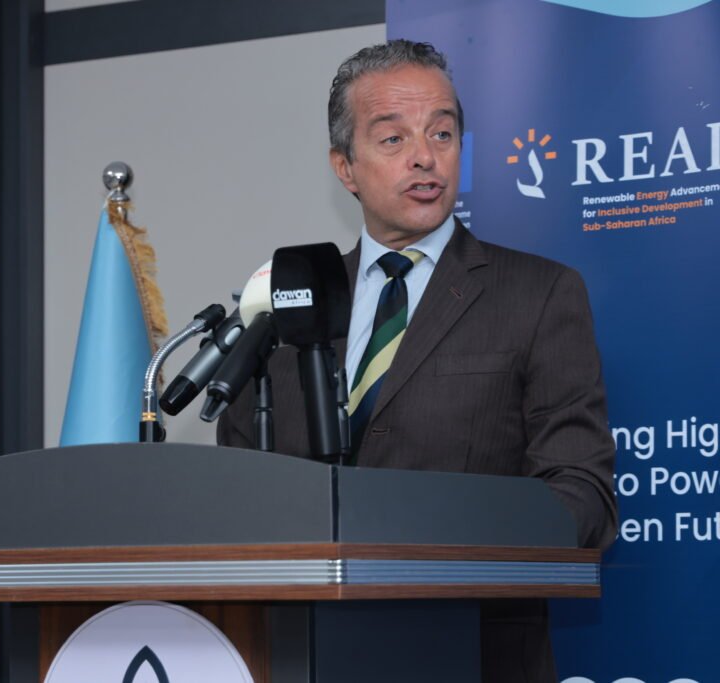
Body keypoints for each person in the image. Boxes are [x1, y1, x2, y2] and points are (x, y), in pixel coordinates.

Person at [217, 39, 617, 682]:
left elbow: (582, 493)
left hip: (471, 651)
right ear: (345, 167)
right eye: (393, 138)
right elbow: (231, 488)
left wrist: (439, 539)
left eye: (442, 133)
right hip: (297, 653)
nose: (425, 156)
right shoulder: (287, 304)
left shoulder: (538, 294)